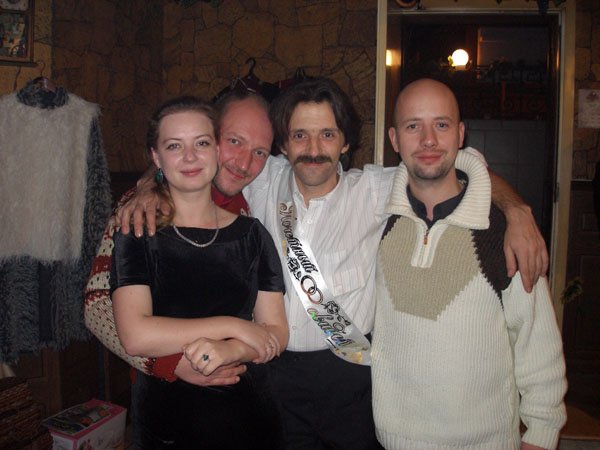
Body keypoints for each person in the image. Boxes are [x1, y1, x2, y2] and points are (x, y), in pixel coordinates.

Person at [86, 78, 549, 449]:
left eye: (327, 134)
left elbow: (451, 163)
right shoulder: (262, 178)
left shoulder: (376, 189)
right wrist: (149, 184)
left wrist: (515, 210)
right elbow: (194, 161)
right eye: (299, 135)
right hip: (272, 374)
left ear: (346, 143)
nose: (313, 148)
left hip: (351, 374)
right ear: (284, 147)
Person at [371, 78, 566, 450]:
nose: (428, 140)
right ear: (394, 139)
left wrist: (541, 433)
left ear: (460, 134)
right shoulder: (376, 222)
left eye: (441, 124)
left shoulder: (502, 234)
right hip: (391, 439)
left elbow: (537, 344)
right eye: (413, 126)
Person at [109, 96, 288, 449]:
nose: (190, 157)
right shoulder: (136, 228)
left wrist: (232, 350)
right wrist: (233, 326)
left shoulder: (253, 233)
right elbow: (134, 335)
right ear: (156, 158)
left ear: (215, 150)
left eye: (201, 143)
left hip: (250, 416)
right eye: (175, 146)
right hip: (167, 419)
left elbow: (276, 333)